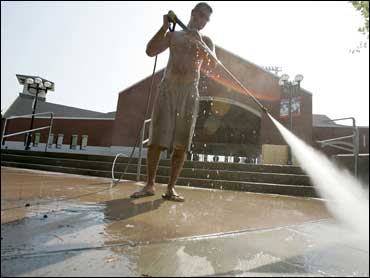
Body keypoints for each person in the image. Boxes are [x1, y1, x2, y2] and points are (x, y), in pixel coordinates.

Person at [130, 2, 217, 202]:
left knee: (181, 144)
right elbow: (150, 51)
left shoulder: (207, 41)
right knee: (156, 140)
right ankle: (149, 185)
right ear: (193, 13)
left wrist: (200, 44)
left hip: (189, 94)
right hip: (167, 89)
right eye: (201, 15)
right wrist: (163, 28)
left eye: (206, 19)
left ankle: (170, 188)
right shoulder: (173, 35)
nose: (202, 21)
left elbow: (212, 66)